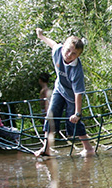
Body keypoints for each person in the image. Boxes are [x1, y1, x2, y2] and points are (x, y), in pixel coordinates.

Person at [34, 28, 95, 157]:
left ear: (78, 56)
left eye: (73, 54)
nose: (69, 55)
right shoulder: (58, 51)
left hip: (72, 96)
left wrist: (77, 113)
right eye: (68, 50)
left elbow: (79, 93)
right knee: (51, 116)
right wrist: (41, 36)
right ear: (63, 48)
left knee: (73, 121)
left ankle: (88, 148)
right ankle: (46, 149)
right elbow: (52, 44)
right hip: (59, 88)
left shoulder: (76, 70)